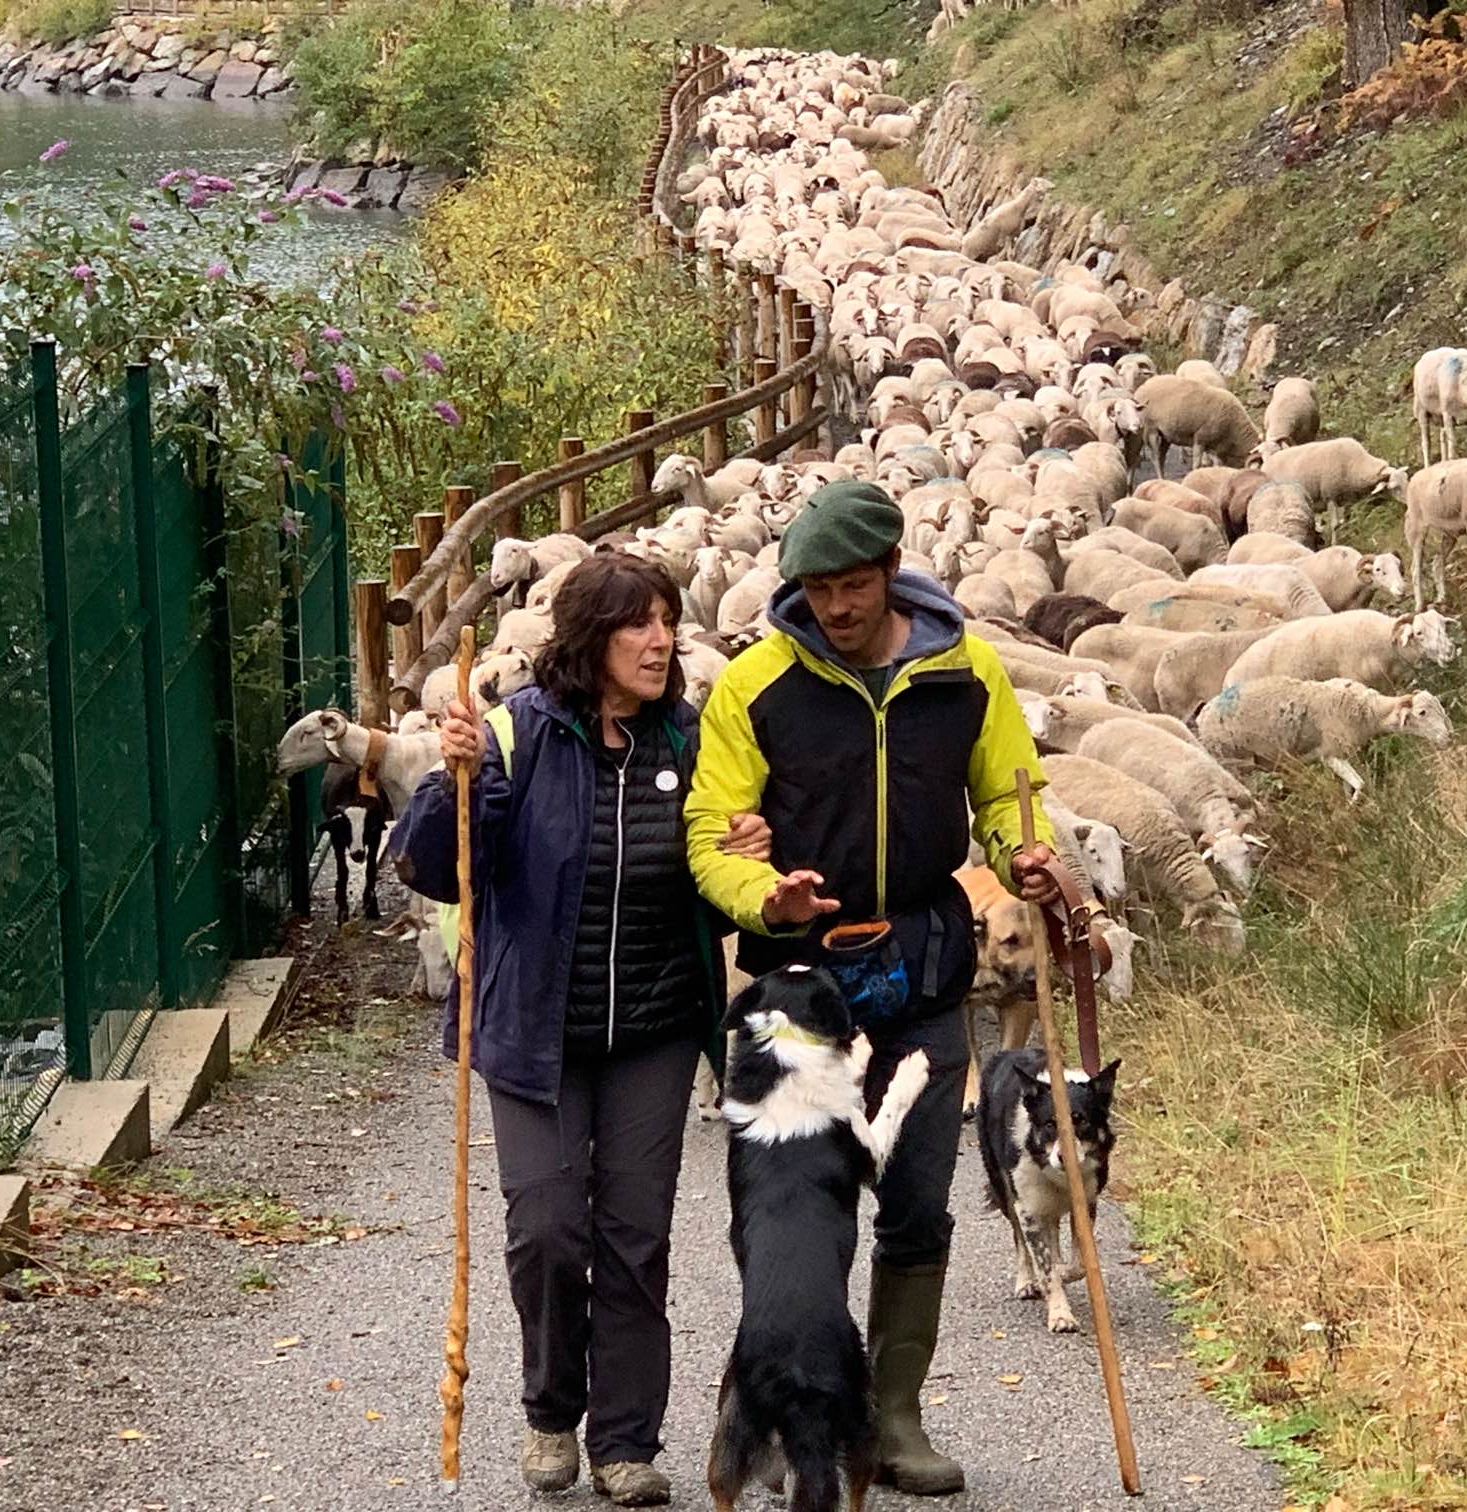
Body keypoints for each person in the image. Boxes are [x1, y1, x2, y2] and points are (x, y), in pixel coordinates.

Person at [686, 478, 1059, 1497]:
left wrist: (1030, 856)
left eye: (852, 586)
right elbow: (713, 835)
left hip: (923, 964)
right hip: (799, 994)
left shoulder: (964, 669)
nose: (836, 608)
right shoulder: (754, 685)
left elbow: (1007, 793)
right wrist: (769, 895)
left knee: (919, 1203)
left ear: (891, 571)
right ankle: (771, 1404)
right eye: (817, 589)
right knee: (795, 1219)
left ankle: (890, 1420)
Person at [392, 553, 769, 1507]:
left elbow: (714, 894)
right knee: (550, 1231)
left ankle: (628, 1443)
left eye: (668, 621)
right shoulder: (519, 735)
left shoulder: (690, 741)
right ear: (588, 637)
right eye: (638, 623)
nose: (660, 640)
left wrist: (749, 859)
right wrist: (455, 782)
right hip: (531, 1030)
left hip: (651, 1028)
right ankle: (552, 1411)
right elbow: (440, 870)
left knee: (636, 1237)